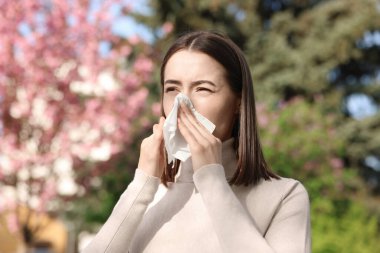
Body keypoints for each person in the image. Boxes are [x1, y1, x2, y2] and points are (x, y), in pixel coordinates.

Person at [83, 31, 311, 253]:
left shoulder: (284, 196)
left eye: (203, 89)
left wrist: (212, 179)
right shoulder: (148, 194)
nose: (183, 104)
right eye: (172, 89)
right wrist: (142, 184)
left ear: (238, 101)